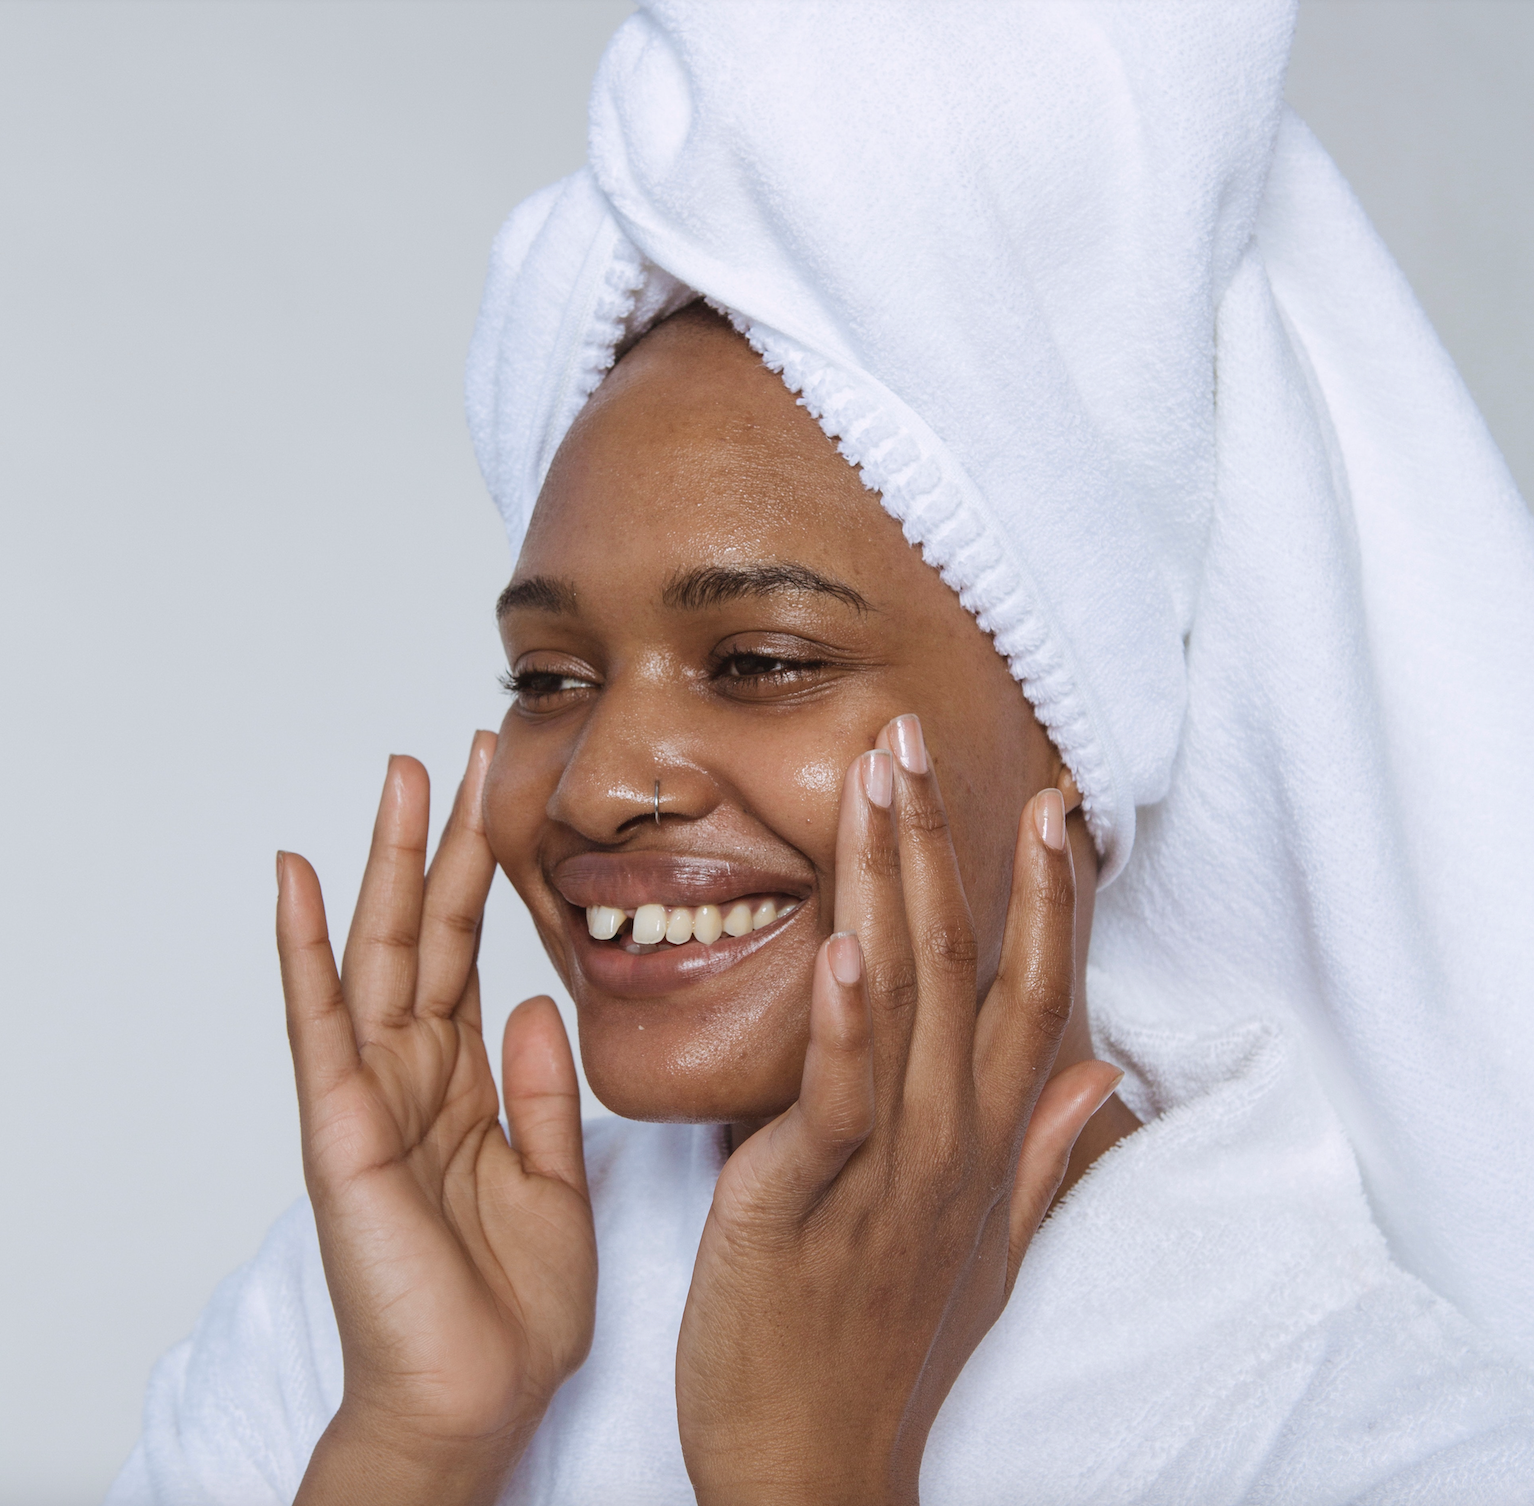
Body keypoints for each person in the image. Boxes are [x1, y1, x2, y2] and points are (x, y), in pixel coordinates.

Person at [108, 3, 1534, 1503]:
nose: (597, 781)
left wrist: (806, 1471)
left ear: (1076, 743)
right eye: (546, 674)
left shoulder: (1365, 1436)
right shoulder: (369, 1325)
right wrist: (417, 1441)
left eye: (762, 663)